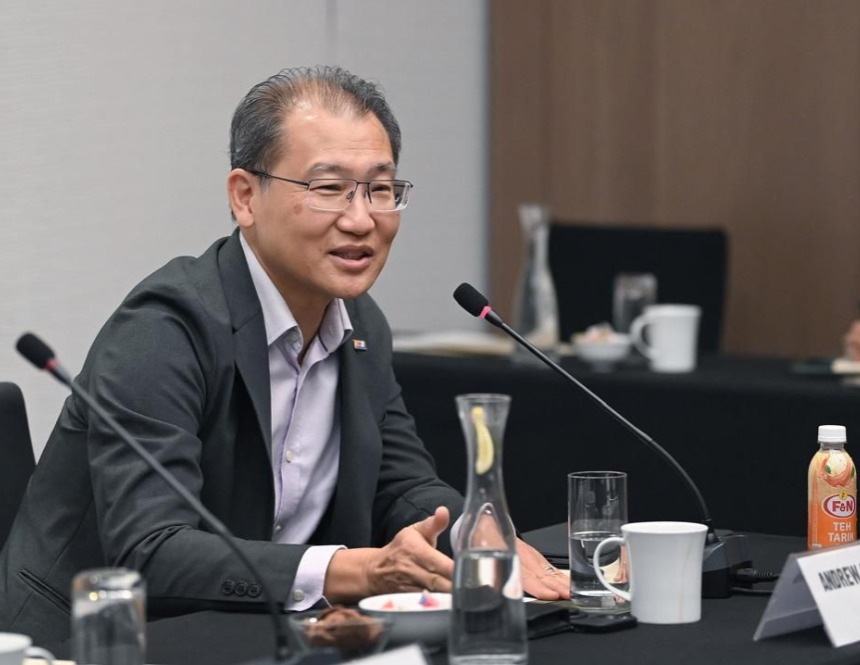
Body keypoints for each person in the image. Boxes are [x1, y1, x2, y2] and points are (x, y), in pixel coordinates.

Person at [0, 66, 568, 644]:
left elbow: (400, 486)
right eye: (328, 189)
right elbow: (151, 549)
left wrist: (474, 536)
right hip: (95, 641)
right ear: (245, 197)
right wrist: (356, 570)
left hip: (259, 634)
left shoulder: (360, 325)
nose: (361, 219)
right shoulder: (164, 328)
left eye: (379, 189)